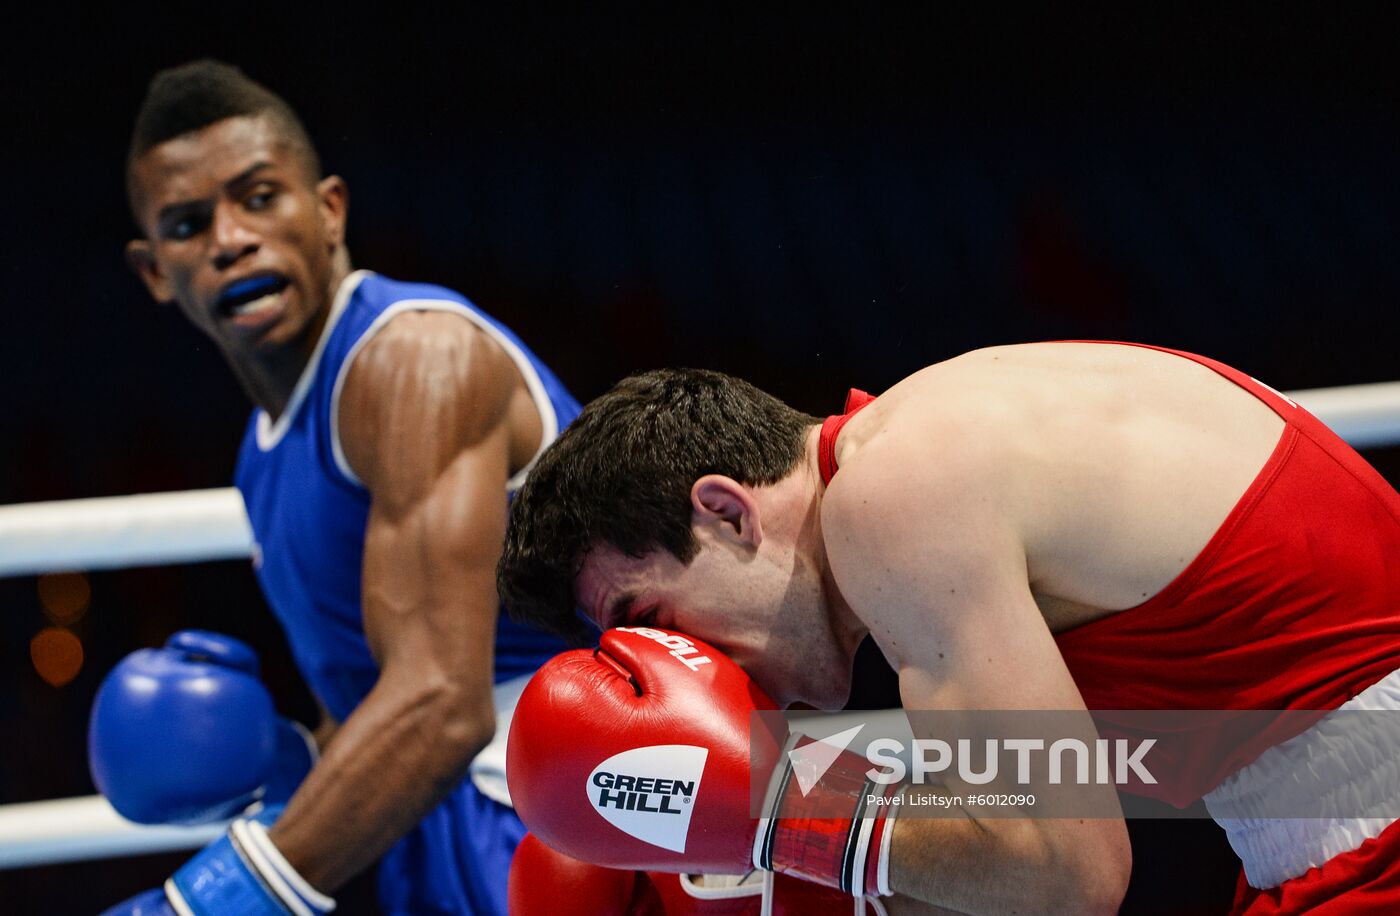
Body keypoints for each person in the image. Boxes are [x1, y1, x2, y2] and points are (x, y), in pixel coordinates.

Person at [498, 341, 1400, 914]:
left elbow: (1069, 877)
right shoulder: (918, 457)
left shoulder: (894, 499)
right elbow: (1007, 848)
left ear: (728, 515)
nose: (675, 663)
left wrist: (772, 812)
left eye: (647, 619)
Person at [108, 59, 580, 914]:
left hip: (565, 816)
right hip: (430, 828)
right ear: (153, 272)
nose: (228, 240)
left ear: (328, 210)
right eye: (187, 224)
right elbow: (381, 693)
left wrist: (205, 902)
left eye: (258, 198)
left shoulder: (414, 360)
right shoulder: (262, 451)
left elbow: (440, 704)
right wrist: (291, 757)